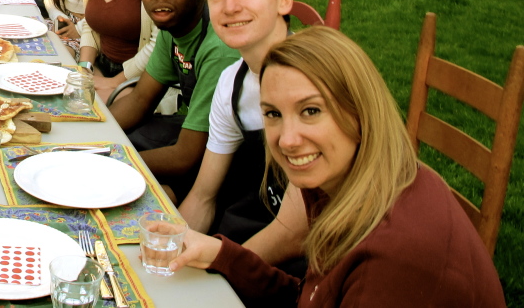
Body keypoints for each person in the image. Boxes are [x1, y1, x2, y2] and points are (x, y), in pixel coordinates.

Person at [169, 27, 506, 308]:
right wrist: (223, 255)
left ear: (359, 113)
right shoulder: (345, 181)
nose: (287, 140)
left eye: (311, 111)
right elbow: (314, 296)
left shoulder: (391, 259)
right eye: (273, 114)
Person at [178, 0, 294, 245]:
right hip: (244, 237)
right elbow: (203, 197)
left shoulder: (312, 80)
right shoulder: (232, 83)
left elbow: (297, 230)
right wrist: (171, 248)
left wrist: (222, 262)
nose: (230, 7)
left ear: (283, 0)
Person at [109, 0, 240, 201]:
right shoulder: (172, 24)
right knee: (126, 139)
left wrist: (115, 163)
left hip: (236, 162)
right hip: (196, 136)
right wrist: (92, 139)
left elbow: (185, 157)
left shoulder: (219, 47)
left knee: (128, 181)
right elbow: (140, 99)